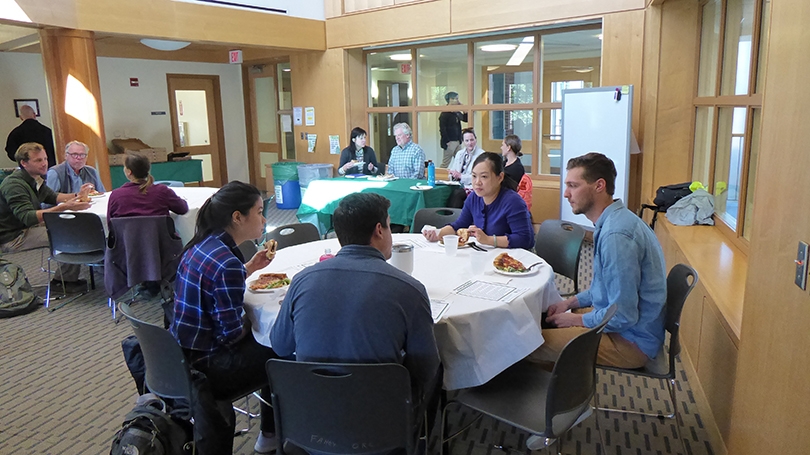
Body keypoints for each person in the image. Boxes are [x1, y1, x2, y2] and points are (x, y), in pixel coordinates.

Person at [271, 192, 441, 429]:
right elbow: (425, 368)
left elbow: (280, 346)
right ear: (379, 230)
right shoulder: (409, 289)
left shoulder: (302, 281)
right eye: (390, 227)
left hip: (309, 420)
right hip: (380, 425)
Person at [528, 152, 667, 370]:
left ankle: (559, 400)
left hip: (630, 342)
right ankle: (561, 390)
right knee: (542, 320)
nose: (566, 194)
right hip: (623, 326)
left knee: (528, 344)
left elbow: (623, 315)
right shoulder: (614, 221)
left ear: (599, 186)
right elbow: (605, 289)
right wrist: (569, 303)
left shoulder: (616, 236)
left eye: (573, 185)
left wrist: (575, 320)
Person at [169, 181, 278, 454]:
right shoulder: (227, 262)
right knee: (280, 347)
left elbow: (212, 282)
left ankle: (270, 433)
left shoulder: (202, 244)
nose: (264, 220)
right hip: (208, 366)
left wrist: (248, 268)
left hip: (181, 354)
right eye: (259, 212)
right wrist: (256, 323)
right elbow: (229, 335)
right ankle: (271, 433)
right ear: (237, 217)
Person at [0, 142, 92, 292]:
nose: (44, 164)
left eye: (45, 159)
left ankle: (67, 277)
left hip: (24, 228)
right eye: (38, 160)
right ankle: (63, 282)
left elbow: (53, 196)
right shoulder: (14, 185)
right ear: (24, 163)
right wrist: (64, 207)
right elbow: (28, 218)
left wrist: (77, 195)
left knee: (71, 226)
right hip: (13, 236)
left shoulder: (33, 178)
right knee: (70, 234)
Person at [424, 152, 534, 250]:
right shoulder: (473, 197)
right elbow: (459, 225)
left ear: (500, 177)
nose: (477, 182)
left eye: (484, 177)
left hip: (514, 260)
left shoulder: (513, 201)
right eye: (474, 176)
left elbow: (525, 239)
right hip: (485, 255)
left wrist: (488, 240)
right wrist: (437, 233)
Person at [107, 153, 188, 219]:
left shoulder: (116, 196)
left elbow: (111, 225)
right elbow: (183, 209)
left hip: (127, 239)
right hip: (159, 238)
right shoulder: (162, 191)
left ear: (129, 172)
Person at [446, 128, 485, 207]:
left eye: (472, 140)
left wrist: (461, 176)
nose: (470, 143)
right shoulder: (459, 153)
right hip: (457, 185)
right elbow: (453, 170)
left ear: (476, 140)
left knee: (457, 194)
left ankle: (453, 218)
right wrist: (452, 175)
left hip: (473, 187)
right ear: (463, 142)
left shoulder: (482, 155)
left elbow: (480, 178)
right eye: (467, 141)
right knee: (446, 193)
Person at [439, 91, 468, 168]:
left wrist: (464, 110)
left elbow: (465, 119)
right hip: (450, 142)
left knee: (460, 161)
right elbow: (442, 129)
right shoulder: (445, 114)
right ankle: (439, 176)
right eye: (456, 99)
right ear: (450, 99)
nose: (458, 101)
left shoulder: (456, 112)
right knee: (446, 162)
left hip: (457, 141)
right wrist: (447, 141)